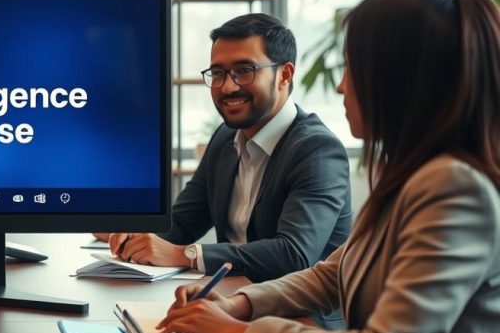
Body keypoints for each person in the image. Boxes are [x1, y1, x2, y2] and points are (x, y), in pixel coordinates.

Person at [158, 0, 500, 333]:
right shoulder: (409, 176)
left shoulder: (455, 189)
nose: (340, 86)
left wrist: (239, 332)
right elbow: (331, 275)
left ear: (398, 82)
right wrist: (237, 303)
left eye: (351, 68)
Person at [98, 14, 352, 286]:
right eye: (218, 73)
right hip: (226, 300)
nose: (228, 87)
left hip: (298, 318)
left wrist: (184, 255)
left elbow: (293, 254)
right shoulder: (225, 137)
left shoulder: (318, 150)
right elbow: (184, 222)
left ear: (285, 74)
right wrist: (137, 234)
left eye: (244, 70)